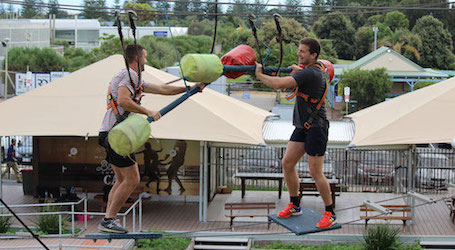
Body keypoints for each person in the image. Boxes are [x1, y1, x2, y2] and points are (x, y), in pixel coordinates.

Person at [98, 44, 205, 234]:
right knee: (132, 179)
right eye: (145, 57)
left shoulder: (135, 79)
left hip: (111, 134)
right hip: (117, 135)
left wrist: (190, 89)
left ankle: (108, 219)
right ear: (137, 59)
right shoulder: (128, 76)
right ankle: (109, 220)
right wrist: (147, 111)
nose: (147, 60)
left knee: (122, 179)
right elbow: (123, 100)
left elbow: (163, 89)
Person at [254, 38, 335, 229]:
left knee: (316, 172)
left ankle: (330, 213)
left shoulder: (311, 73)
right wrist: (300, 70)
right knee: (287, 163)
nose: (299, 54)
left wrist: (259, 74)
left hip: (316, 128)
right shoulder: (316, 70)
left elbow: (279, 84)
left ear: (313, 55)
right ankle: (294, 205)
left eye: (303, 52)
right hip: (302, 126)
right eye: (299, 51)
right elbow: (314, 73)